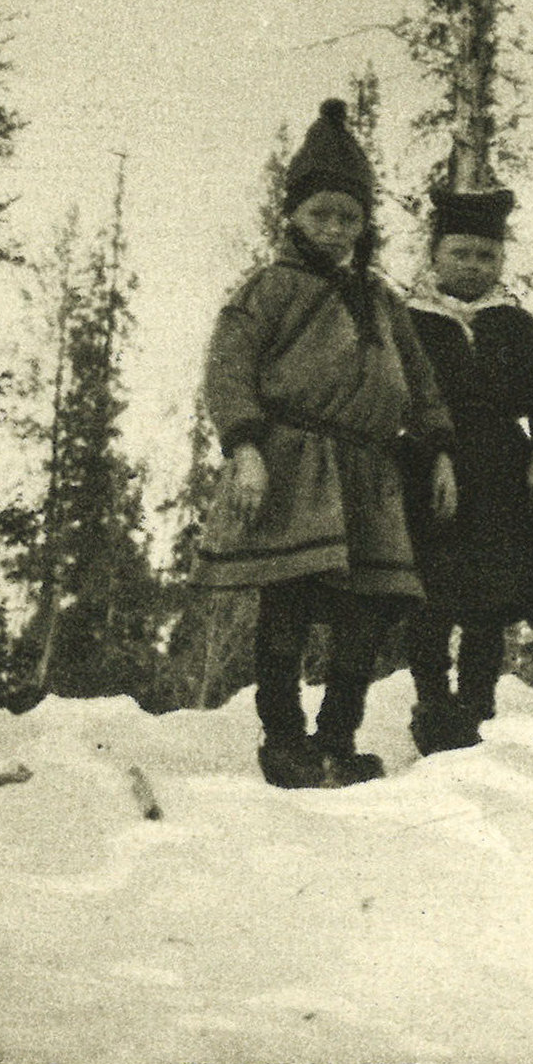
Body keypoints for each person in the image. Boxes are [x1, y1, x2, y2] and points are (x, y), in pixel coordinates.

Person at [196, 99, 456, 788]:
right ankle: (284, 739)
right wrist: (245, 448)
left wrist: (438, 452)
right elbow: (228, 368)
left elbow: (422, 383)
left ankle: (336, 739)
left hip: (369, 472)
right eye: (320, 215)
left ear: (364, 221)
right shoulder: (269, 288)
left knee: (365, 612)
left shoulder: (382, 299)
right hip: (293, 461)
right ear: (293, 217)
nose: (335, 229)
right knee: (288, 603)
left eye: (348, 216)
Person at [400, 184, 533, 755]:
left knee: (489, 598)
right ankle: (431, 701)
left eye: (486, 256)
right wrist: (430, 452)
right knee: (429, 594)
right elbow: (394, 393)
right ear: (435, 257)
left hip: (500, 471)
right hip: (427, 471)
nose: (474, 267)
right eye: (461, 254)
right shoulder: (409, 322)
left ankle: (476, 705)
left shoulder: (513, 325)